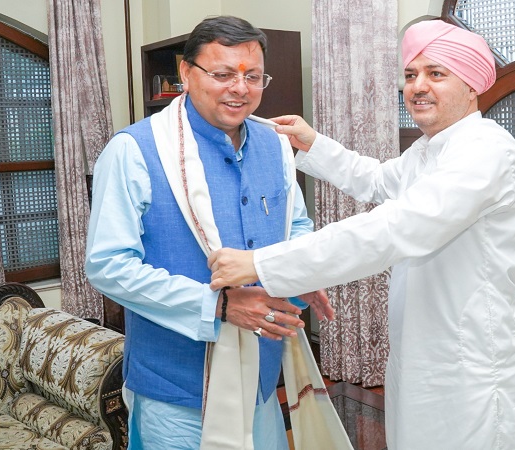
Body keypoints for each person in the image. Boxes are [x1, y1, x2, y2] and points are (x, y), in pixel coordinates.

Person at [208, 19, 515, 450]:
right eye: (411, 75)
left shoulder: (486, 152)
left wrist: (262, 263)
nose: (418, 86)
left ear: (471, 85)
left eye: (436, 73)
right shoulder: (429, 149)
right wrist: (313, 144)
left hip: (473, 367)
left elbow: (392, 229)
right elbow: (378, 180)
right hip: (420, 354)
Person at [85, 15, 335, 450]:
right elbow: (109, 266)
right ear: (186, 72)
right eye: (222, 74)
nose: (240, 88)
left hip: (261, 373)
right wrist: (218, 305)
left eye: (252, 76)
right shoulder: (133, 150)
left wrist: (298, 271)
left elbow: (295, 224)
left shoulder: (275, 143)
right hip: (176, 389)